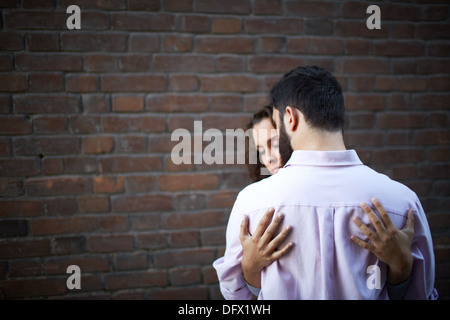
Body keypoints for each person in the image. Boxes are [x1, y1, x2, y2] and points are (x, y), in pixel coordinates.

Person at [213, 66, 438, 299]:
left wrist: (250, 274)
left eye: (276, 128)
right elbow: (422, 295)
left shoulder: (251, 203)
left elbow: (235, 296)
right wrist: (402, 272)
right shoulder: (402, 201)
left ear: (290, 118)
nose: (269, 153)